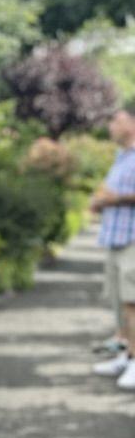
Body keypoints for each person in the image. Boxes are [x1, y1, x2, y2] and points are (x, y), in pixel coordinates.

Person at [90, 107, 135, 390]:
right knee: (121, 303)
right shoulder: (122, 157)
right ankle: (126, 355)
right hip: (116, 239)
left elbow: (119, 196)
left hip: (132, 240)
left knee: (133, 303)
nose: (110, 126)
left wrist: (112, 198)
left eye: (116, 120)